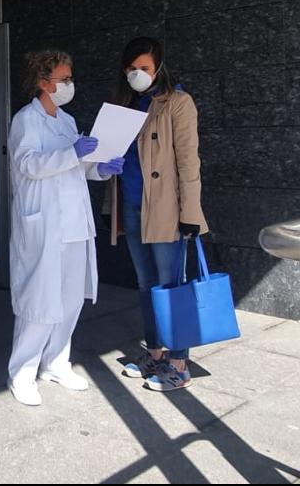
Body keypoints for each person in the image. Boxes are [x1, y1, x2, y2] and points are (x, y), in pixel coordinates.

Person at [6, 49, 125, 406]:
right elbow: (28, 164)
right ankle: (22, 373)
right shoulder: (26, 120)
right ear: (43, 81)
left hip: (74, 223)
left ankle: (56, 363)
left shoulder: (67, 121)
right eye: (64, 79)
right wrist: (73, 154)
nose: (69, 84)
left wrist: (99, 169)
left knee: (70, 299)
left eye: (70, 78)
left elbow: (77, 165)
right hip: (44, 224)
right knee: (39, 301)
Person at [106, 36, 209, 392]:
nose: (138, 74)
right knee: (145, 284)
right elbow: (113, 160)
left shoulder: (177, 103)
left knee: (171, 285)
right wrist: (110, 206)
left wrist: (191, 212)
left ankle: (179, 363)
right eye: (132, 68)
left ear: (159, 67)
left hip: (166, 208)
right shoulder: (123, 104)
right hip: (132, 205)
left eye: (145, 68)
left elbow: (188, 161)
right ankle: (155, 352)